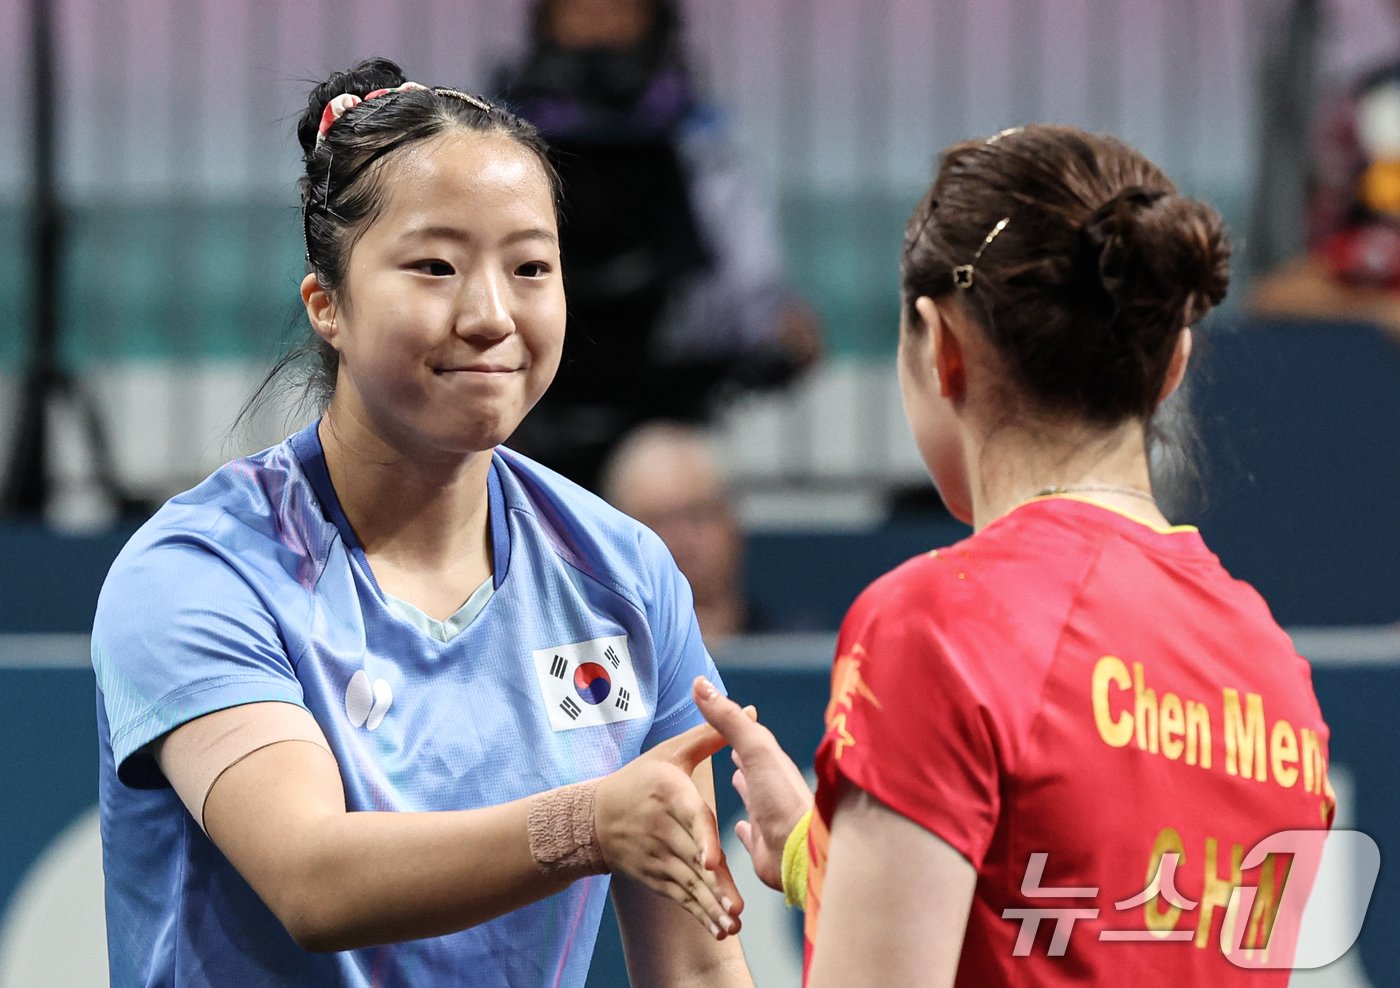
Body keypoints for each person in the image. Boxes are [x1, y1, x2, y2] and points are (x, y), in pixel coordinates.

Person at [90, 58, 755, 988]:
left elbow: (694, 967)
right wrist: (588, 823)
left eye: (531, 267)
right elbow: (313, 881)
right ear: (329, 305)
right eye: (436, 267)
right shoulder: (201, 571)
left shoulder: (624, 574)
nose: (491, 315)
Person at [690, 125, 1337, 984]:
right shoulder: (1274, 669)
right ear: (1173, 362)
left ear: (942, 344)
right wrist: (823, 858)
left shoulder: (939, 622)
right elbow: (1085, 918)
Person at [497, 0, 822, 490]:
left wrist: (772, 327)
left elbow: (747, 277)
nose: (601, 26)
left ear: (654, 21)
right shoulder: (496, 133)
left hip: (660, 400)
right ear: (548, 20)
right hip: (524, 406)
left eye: (620, 9)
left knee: (671, 496)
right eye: (580, 9)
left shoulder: (698, 135)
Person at [598, 422, 766, 646]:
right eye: (655, 522)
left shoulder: (797, 652)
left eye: (698, 515)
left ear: (733, 527)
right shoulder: (588, 665)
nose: (681, 541)